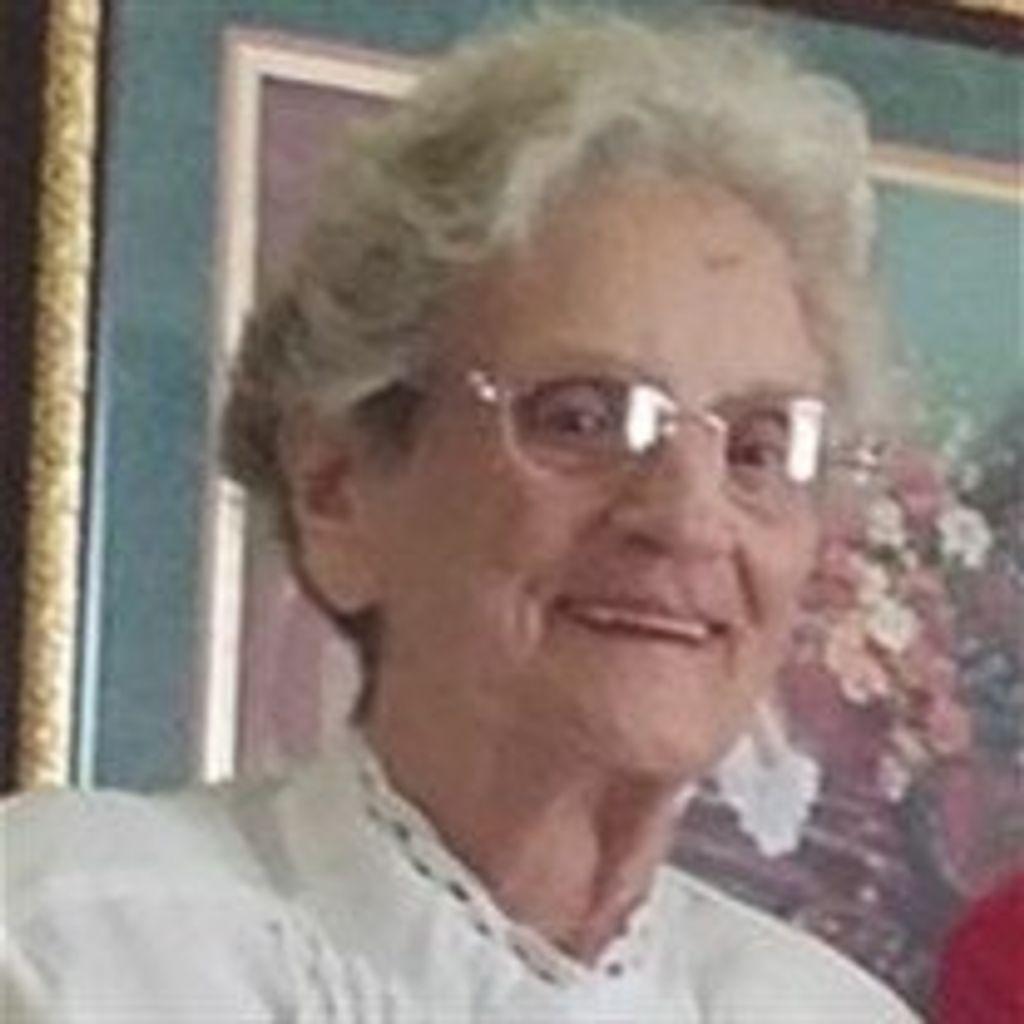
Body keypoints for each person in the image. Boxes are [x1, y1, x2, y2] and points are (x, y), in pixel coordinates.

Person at [3, 13, 919, 1021]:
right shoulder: (73, 946)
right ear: (338, 489)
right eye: (580, 417)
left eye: (756, 447)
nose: (689, 519)